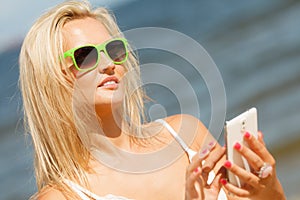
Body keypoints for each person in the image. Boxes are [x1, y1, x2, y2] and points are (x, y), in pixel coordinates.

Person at [19, 1, 285, 199]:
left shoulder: (185, 136)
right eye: (85, 55)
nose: (109, 64)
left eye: (113, 49)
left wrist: (269, 190)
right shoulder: (64, 196)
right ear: (51, 79)